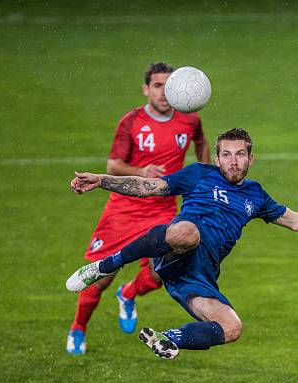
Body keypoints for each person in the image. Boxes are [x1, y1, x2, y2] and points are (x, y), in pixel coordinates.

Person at [66, 128, 298, 360]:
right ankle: (106, 265)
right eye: (226, 154)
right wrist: (102, 180)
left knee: (231, 327)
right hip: (176, 248)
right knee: (188, 232)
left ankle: (170, 338)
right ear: (216, 158)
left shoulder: (256, 195)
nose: (233, 161)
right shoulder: (199, 174)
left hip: (198, 275)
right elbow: (149, 187)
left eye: (240, 154)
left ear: (251, 158)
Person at [66, 62, 210, 355]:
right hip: (124, 210)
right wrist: (140, 171)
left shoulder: (190, 120)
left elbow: (201, 143)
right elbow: (113, 166)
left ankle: (128, 293)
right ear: (146, 89)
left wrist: (204, 175)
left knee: (162, 274)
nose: (164, 92)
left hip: (163, 209)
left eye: (168, 86)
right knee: (101, 277)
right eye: (157, 86)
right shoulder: (131, 122)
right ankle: (78, 328)